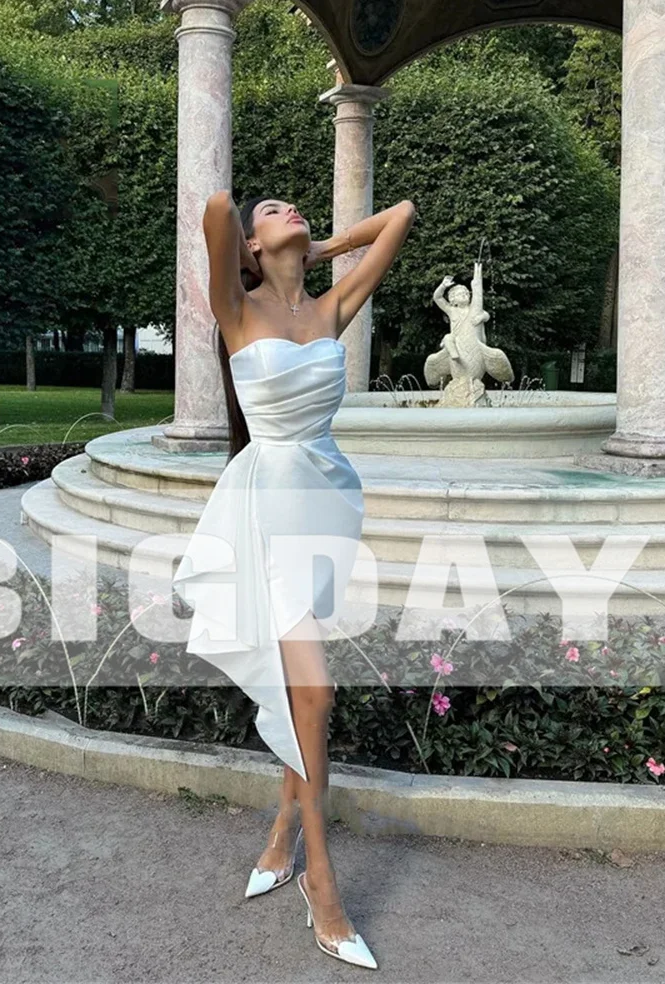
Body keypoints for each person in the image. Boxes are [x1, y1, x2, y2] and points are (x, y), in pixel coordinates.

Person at [172, 191, 415, 970]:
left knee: (299, 687)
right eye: (275, 210)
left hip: (325, 501)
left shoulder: (332, 306)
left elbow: (401, 214)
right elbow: (216, 208)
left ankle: (282, 833)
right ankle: (323, 882)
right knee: (314, 690)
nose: (291, 209)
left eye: (295, 208)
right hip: (265, 508)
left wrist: (320, 248)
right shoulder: (235, 310)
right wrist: (251, 240)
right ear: (252, 245)